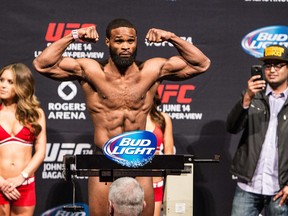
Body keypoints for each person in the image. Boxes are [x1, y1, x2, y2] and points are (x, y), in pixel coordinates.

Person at [33, 18, 210, 216]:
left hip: (140, 160)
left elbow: (201, 64)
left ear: (136, 42)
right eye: (119, 41)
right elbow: (42, 64)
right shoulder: (91, 71)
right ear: (108, 42)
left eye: (130, 41)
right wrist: (74, 36)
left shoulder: (151, 71)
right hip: (103, 159)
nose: (125, 46)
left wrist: (171, 37)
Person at [226, 44, 288, 216]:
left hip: (281, 189)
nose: (272, 70)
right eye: (268, 65)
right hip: (248, 186)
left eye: (278, 65)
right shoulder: (253, 96)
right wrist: (246, 99)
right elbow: (232, 127)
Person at [0, 63, 46, 215]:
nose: (3, 85)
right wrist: (1, 183)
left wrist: (22, 177)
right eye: (1, 80)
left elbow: (40, 151)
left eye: (10, 82)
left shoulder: (36, 114)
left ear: (22, 85)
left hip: (24, 184)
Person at [146, 91, 174, 216]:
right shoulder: (130, 120)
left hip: (155, 181)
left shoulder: (163, 119)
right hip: (133, 181)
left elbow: (169, 153)